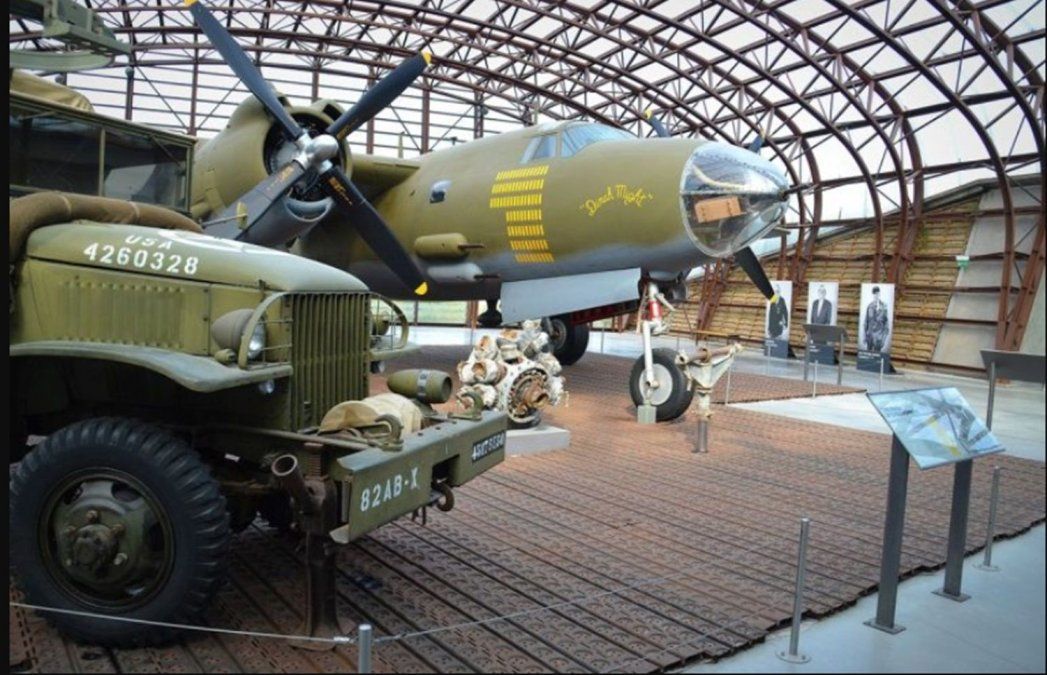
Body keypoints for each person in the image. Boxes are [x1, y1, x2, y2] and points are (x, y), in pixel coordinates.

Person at [863, 286, 890, 352]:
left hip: (878, 338)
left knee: (877, 356)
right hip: (870, 338)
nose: (876, 295)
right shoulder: (869, 306)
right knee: (868, 356)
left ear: (879, 294)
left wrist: (883, 340)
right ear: (873, 295)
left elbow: (886, 325)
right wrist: (864, 336)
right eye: (874, 294)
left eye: (877, 293)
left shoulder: (884, 307)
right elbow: (866, 323)